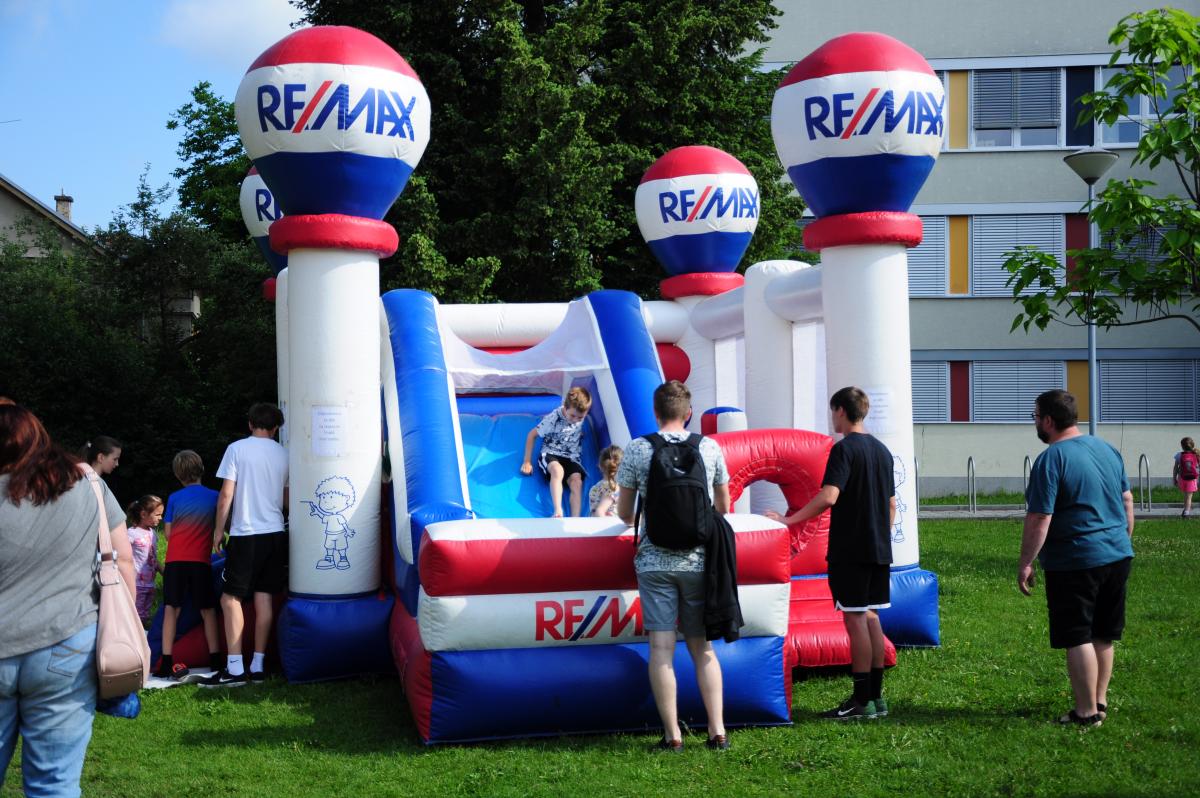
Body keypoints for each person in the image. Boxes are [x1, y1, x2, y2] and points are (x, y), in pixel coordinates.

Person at [1, 404, 133, 796]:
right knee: (54, 785)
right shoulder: (87, 483)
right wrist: (127, 626)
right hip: (68, 648)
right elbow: (124, 559)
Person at [765, 386, 896, 720]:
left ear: (840, 410)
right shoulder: (882, 451)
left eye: (832, 411)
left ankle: (860, 700)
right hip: (879, 548)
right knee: (871, 616)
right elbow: (891, 504)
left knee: (855, 618)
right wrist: (881, 536)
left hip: (851, 549)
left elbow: (829, 496)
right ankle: (876, 698)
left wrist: (788, 520)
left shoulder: (843, 449)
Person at [616, 380, 731, 751]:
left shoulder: (638, 448)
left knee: (662, 649)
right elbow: (723, 507)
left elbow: (624, 512)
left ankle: (673, 736)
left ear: (656, 412)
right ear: (689, 413)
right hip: (700, 561)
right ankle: (717, 732)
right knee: (703, 649)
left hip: (654, 562)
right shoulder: (709, 447)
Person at [1019, 389, 1134, 728]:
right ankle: (1099, 701)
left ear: (1048, 421)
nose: (1035, 423)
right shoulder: (1107, 449)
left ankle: (1085, 712)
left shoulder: (1051, 459)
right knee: (1103, 633)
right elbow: (1127, 500)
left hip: (1076, 559)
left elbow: (1040, 516)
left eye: (1035, 416)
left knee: (1077, 635)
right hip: (1117, 553)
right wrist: (1121, 540)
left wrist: (1026, 562)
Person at [201, 403, 288, 687]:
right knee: (264, 598)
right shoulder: (285, 454)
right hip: (275, 532)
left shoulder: (236, 449)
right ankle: (258, 666)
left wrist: (218, 530)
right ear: (276, 428)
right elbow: (287, 498)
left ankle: (235, 667)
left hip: (246, 533)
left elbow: (226, 494)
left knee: (230, 599)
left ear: (250, 424)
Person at [157, 450, 221, 680]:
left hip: (175, 561)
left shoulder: (174, 498)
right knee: (208, 610)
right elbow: (222, 526)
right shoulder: (215, 496)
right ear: (202, 469)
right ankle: (215, 659)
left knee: (171, 609)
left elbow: (167, 534)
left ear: (178, 475)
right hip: (200, 562)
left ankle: (166, 661)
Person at [520, 386, 592, 518]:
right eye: (572, 416)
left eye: (580, 418)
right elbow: (531, 435)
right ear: (565, 407)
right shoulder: (553, 419)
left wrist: (576, 433)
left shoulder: (578, 415)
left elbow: (574, 423)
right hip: (551, 453)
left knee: (577, 482)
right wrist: (527, 461)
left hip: (571, 456)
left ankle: (575, 519)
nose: (575, 420)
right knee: (558, 471)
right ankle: (558, 511)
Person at [125, 494, 164, 624]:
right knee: (135, 614)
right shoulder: (131, 533)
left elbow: (152, 557)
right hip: (136, 583)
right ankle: (135, 634)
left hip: (150, 583)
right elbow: (121, 554)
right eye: (157, 515)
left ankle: (141, 633)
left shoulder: (152, 533)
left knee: (145, 614)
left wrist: (162, 570)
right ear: (143, 514)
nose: (161, 518)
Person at [589, 445, 623, 517]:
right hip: (609, 523)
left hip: (594, 522)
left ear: (600, 466)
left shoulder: (595, 488)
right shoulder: (613, 487)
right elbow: (600, 511)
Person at [1173, 437, 1198, 518]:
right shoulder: (1196, 454)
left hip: (1182, 478)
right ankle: (1186, 513)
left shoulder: (1179, 455)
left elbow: (1175, 468)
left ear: (1182, 446)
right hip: (1192, 479)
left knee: (1186, 495)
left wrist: (1174, 478)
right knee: (1189, 496)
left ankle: (1185, 509)